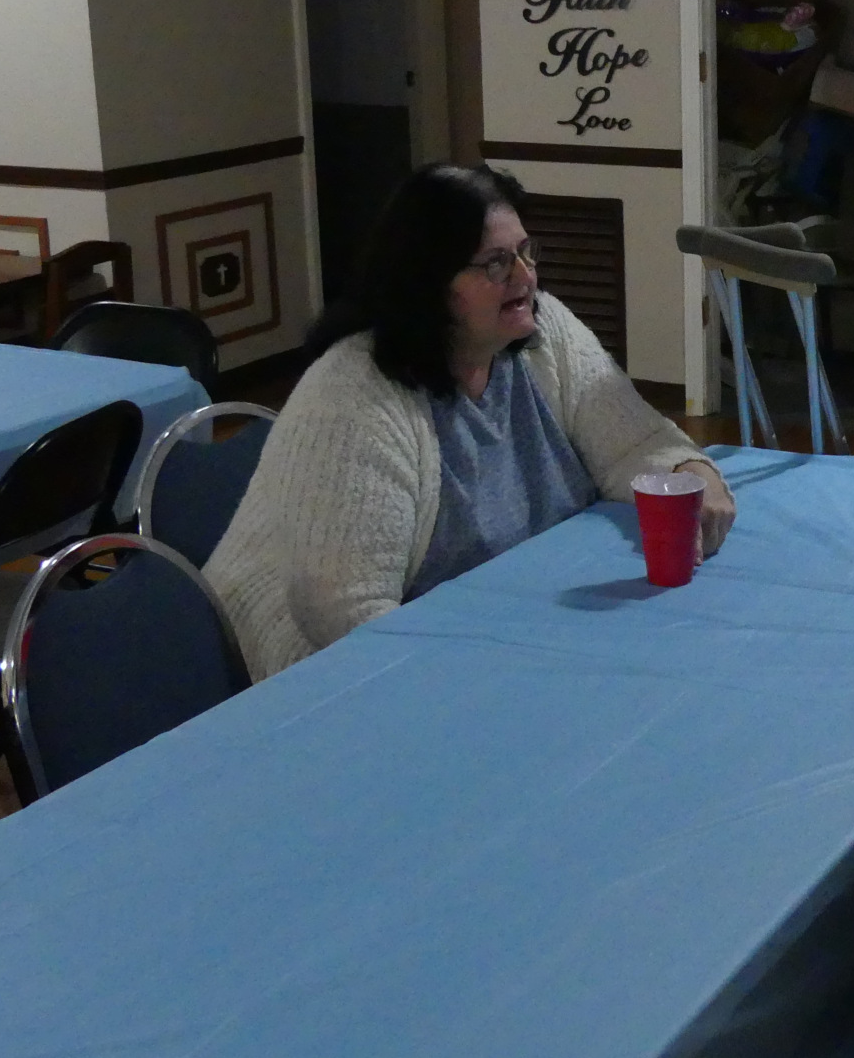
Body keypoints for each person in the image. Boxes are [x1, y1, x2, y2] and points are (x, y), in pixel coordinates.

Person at [206, 164, 735, 681]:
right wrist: (494, 670)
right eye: (496, 264)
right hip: (336, 674)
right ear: (428, 283)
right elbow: (346, 612)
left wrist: (691, 470)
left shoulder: (544, 329)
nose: (525, 277)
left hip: (499, 629)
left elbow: (635, 443)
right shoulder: (354, 394)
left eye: (526, 252)